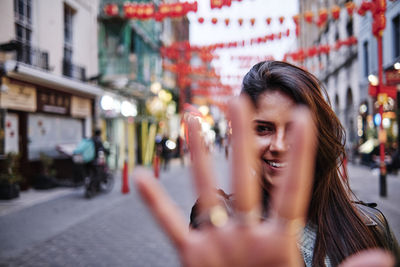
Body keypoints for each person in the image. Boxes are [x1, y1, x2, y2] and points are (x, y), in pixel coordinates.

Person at [135, 61, 399, 267]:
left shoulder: (370, 227)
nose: (280, 145)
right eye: (263, 129)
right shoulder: (222, 224)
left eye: (295, 129)